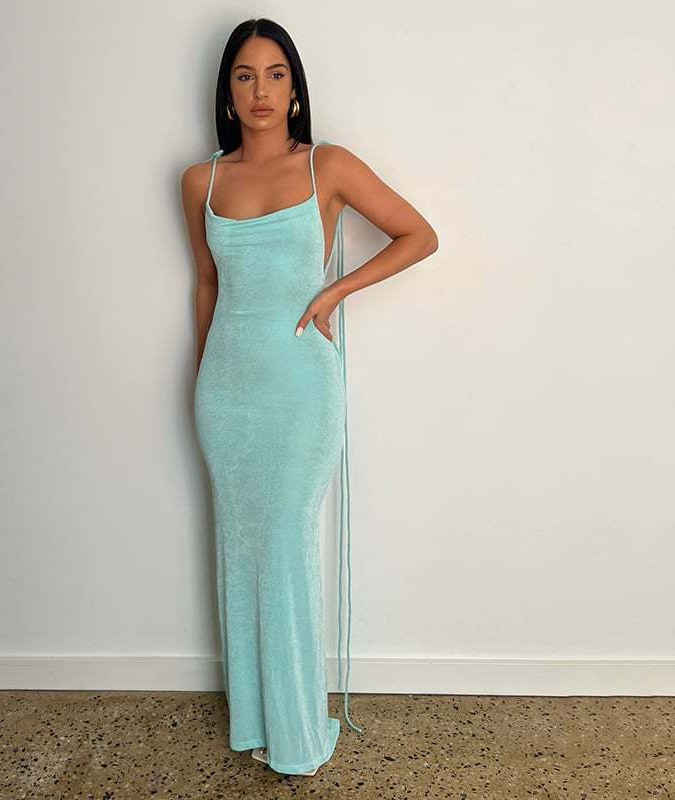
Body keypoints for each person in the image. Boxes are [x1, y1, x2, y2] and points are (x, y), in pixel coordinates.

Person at [181, 18, 439, 777]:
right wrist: (203, 377)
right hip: (226, 393)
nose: (260, 91)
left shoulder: (328, 165)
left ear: (295, 89)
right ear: (227, 92)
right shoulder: (201, 181)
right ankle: (257, 721)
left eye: (275, 74)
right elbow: (206, 284)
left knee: (286, 549)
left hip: (300, 390)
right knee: (241, 551)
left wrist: (334, 291)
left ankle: (296, 734)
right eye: (244, 76)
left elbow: (418, 236)